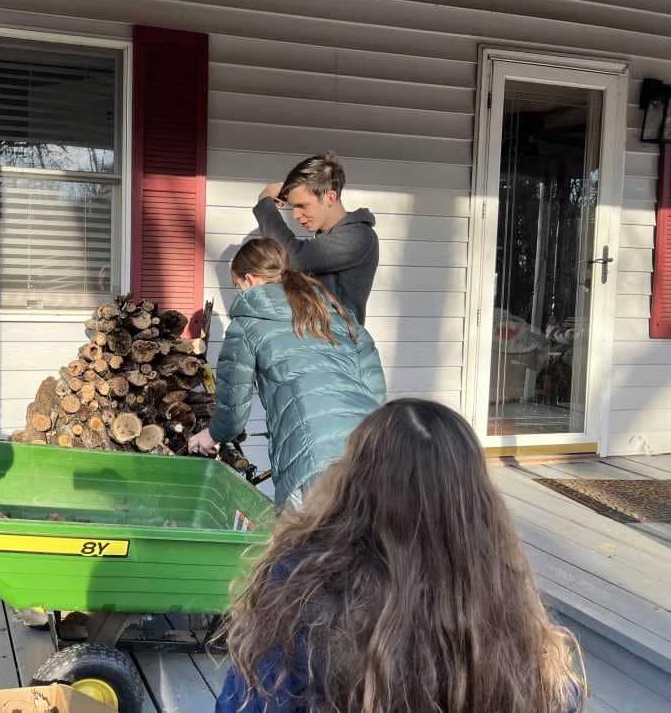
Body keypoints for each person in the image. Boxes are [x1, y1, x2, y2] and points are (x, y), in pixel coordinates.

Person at [216, 398, 585, 713]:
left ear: (352, 487)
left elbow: (245, 701)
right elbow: (559, 697)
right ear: (477, 504)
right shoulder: (501, 597)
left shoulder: (301, 585)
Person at [188, 238, 385, 508]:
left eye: (237, 286)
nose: (239, 293)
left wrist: (210, 435)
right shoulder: (340, 316)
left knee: (308, 546)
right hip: (373, 451)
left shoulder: (248, 325)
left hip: (313, 459)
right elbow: (375, 393)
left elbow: (233, 411)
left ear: (249, 280)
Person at [254, 152, 378, 324]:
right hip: (315, 346)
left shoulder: (358, 236)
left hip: (336, 348)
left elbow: (295, 258)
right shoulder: (327, 238)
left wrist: (265, 204)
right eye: (292, 207)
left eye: (302, 205)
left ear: (330, 197)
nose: (296, 215)